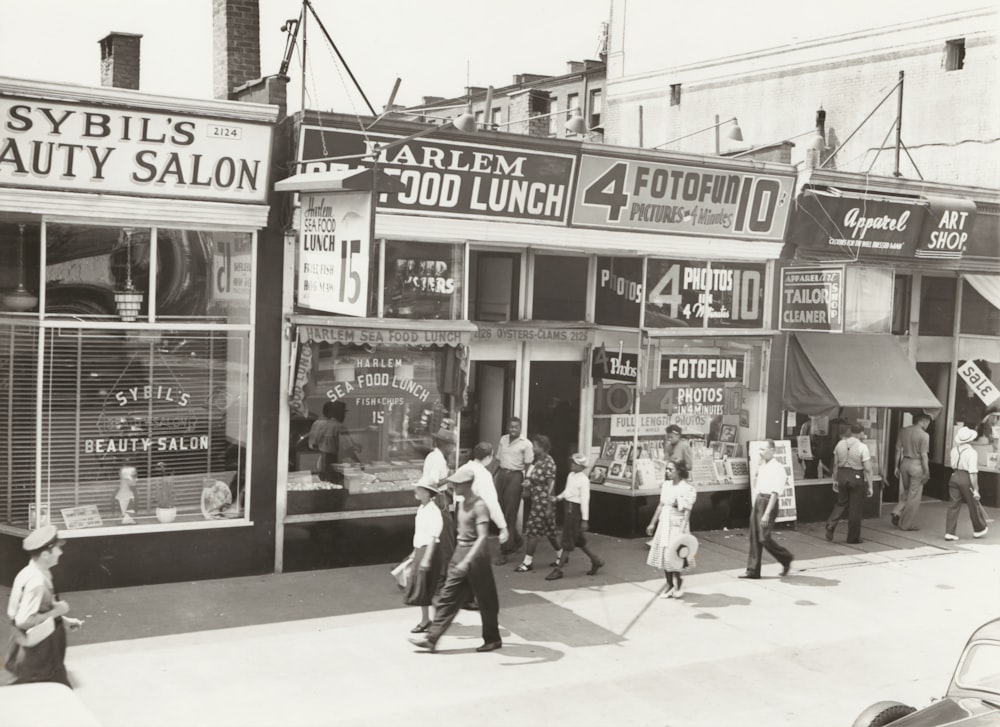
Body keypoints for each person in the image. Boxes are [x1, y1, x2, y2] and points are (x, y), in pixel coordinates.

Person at [409, 468, 502, 653]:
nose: (453, 487)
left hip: (477, 557)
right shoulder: (461, 503)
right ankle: (432, 639)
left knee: (486, 600)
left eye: (457, 484)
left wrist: (467, 561)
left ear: (466, 485)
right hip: (461, 552)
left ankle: (492, 639)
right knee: (448, 597)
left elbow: (482, 537)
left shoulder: (478, 505)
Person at [5, 526, 84, 686]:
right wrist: (57, 612)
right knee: (52, 691)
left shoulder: (29, 572)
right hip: (40, 654)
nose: (60, 552)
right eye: (57, 549)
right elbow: (24, 620)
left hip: (35, 650)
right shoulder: (37, 582)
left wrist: (63, 620)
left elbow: (39, 608)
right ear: (45, 554)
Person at [740, 439, 793, 579]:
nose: (761, 452)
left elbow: (775, 492)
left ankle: (785, 557)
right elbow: (757, 485)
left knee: (763, 537)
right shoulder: (763, 466)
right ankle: (752, 570)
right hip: (759, 501)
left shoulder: (778, 468)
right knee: (754, 536)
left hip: (768, 502)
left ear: (772, 450)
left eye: (764, 449)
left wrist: (767, 513)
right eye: (760, 450)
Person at [546, 453, 604, 580]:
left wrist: (585, 519)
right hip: (568, 507)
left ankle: (558, 569)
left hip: (575, 510)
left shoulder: (584, 480)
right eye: (571, 462)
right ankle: (596, 560)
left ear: (581, 466)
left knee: (567, 539)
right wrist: (558, 498)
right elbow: (568, 491)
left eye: (575, 463)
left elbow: (585, 500)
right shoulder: (571, 475)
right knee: (578, 539)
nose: (572, 465)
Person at [646, 460, 697, 598]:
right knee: (664, 553)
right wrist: (652, 523)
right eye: (667, 469)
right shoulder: (666, 486)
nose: (668, 472)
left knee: (674, 553)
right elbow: (661, 505)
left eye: (671, 469)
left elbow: (687, 510)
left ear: (679, 471)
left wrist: (682, 528)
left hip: (677, 522)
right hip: (665, 521)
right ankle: (669, 584)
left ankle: (678, 581)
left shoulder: (686, 488)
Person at [417, 427, 458, 594]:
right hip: (437, 500)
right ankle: (442, 581)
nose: (453, 448)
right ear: (445, 444)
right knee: (446, 540)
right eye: (452, 444)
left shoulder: (434, 456)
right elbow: (433, 484)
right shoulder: (438, 460)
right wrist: (451, 478)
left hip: (434, 500)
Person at [514, 435, 562, 573]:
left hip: (542, 502)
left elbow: (551, 484)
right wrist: (528, 483)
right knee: (550, 531)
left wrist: (549, 506)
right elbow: (535, 479)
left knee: (532, 531)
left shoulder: (549, 462)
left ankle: (527, 562)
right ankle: (561, 555)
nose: (533, 448)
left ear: (542, 447)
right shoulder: (537, 461)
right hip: (537, 500)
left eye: (535, 446)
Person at [404, 482, 445, 634]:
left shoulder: (434, 511)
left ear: (427, 493)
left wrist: (427, 558)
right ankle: (426, 619)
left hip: (430, 551)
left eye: (419, 489)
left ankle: (438, 620)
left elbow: (433, 537)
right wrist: (415, 552)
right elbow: (420, 533)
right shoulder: (422, 508)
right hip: (421, 549)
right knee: (422, 588)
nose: (416, 491)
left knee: (430, 588)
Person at [494, 417, 534, 564]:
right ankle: (516, 540)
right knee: (500, 510)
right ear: (507, 427)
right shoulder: (503, 439)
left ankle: (505, 550)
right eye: (511, 427)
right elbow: (498, 460)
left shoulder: (526, 444)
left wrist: (527, 482)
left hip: (516, 477)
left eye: (516, 427)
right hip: (502, 475)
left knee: (509, 514)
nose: (513, 429)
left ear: (520, 428)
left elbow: (529, 465)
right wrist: (491, 475)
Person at [825, 423, 873, 544]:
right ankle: (852, 538)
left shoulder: (839, 444)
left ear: (850, 431)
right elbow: (867, 469)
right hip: (856, 476)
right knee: (855, 508)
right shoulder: (862, 447)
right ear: (861, 433)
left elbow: (835, 465)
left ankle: (831, 524)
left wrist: (835, 480)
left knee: (841, 503)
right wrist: (871, 486)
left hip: (841, 475)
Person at [945, 426, 989, 541]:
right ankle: (979, 529)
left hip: (954, 476)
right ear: (970, 439)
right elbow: (973, 472)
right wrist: (976, 489)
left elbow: (952, 464)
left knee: (953, 505)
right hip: (966, 478)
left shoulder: (954, 450)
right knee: (973, 504)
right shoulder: (972, 452)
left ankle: (949, 532)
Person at [892, 414, 931, 531]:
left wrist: (896, 466)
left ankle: (897, 511)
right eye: (928, 422)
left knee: (908, 491)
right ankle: (906, 524)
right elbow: (924, 455)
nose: (928, 425)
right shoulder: (924, 435)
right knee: (914, 496)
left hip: (904, 463)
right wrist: (927, 472)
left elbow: (898, 449)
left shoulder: (903, 431)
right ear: (923, 421)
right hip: (917, 465)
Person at [308, 400, 359, 479]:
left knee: (324, 483)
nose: (344, 416)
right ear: (337, 413)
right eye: (343, 413)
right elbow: (348, 450)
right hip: (334, 462)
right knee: (334, 485)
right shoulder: (338, 427)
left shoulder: (317, 423)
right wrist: (358, 462)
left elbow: (312, 445)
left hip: (320, 460)